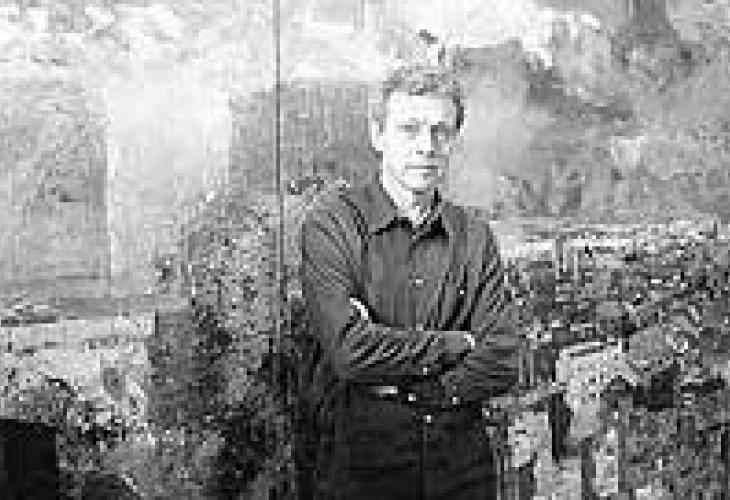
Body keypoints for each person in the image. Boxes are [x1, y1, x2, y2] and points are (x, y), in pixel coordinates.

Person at [299, 56, 534, 499]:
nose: (426, 146)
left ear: (453, 139)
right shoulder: (334, 225)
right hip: (366, 463)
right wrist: (457, 343)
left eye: (440, 131)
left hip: (461, 463)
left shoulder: (474, 236)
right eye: (409, 129)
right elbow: (349, 351)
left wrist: (420, 386)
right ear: (378, 135)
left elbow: (503, 357)